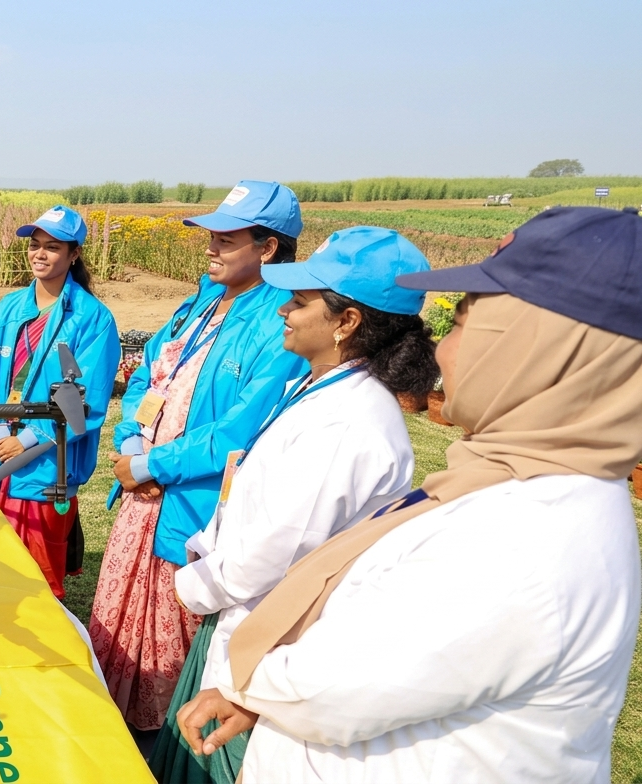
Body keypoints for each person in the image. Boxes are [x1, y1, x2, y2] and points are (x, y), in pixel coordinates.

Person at [181, 207, 642, 783]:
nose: (442, 353)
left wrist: (252, 683)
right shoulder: (517, 486)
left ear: (536, 351)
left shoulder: (527, 536)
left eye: (463, 324)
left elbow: (337, 686)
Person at [150, 227, 439, 783]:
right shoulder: (320, 391)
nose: (283, 310)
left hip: (266, 637)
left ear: (346, 322)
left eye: (301, 301)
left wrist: (193, 586)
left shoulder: (347, 425)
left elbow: (274, 550)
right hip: (243, 616)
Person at [88, 181, 309, 735]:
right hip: (143, 495)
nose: (211, 248)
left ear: (268, 248)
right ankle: (110, 728)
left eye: (226, 240)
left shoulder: (279, 323)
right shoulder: (202, 301)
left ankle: (159, 744)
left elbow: (240, 428)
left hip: (191, 505)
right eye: (211, 237)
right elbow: (149, 372)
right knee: (117, 621)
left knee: (170, 639)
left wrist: (153, 466)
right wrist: (131, 440)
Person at [0, 205, 120, 599]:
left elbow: (86, 399)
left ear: (74, 254)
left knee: (37, 582)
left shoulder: (93, 319)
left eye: (52, 247)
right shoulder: (6, 309)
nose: (40, 254)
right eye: (35, 245)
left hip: (45, 468)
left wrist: (27, 441)